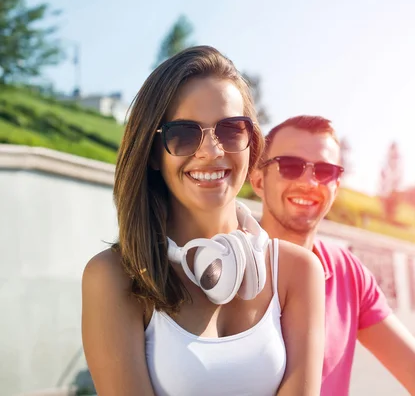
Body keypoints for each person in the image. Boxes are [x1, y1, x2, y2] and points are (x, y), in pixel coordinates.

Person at [81, 47, 325, 396]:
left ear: (251, 144)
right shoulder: (112, 277)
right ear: (152, 153)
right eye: (182, 133)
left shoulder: (298, 272)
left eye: (230, 129)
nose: (211, 151)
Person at [250, 115, 415, 396]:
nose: (309, 182)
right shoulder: (228, 267)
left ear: (336, 185)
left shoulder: (348, 271)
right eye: (291, 166)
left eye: (325, 171)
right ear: (258, 181)